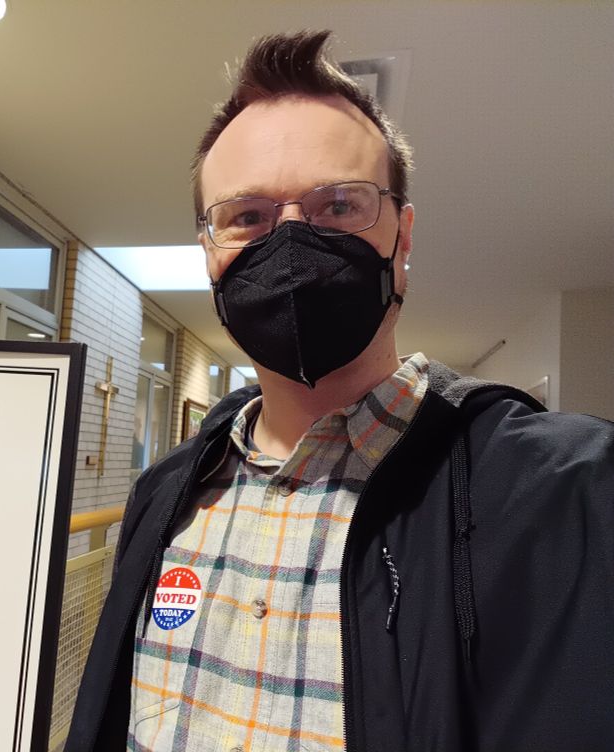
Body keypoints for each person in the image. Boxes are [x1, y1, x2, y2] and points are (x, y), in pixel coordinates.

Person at [67, 30, 614, 752]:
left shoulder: (564, 495)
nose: (291, 241)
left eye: (339, 206)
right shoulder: (163, 495)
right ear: (211, 255)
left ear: (403, 238)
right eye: (248, 218)